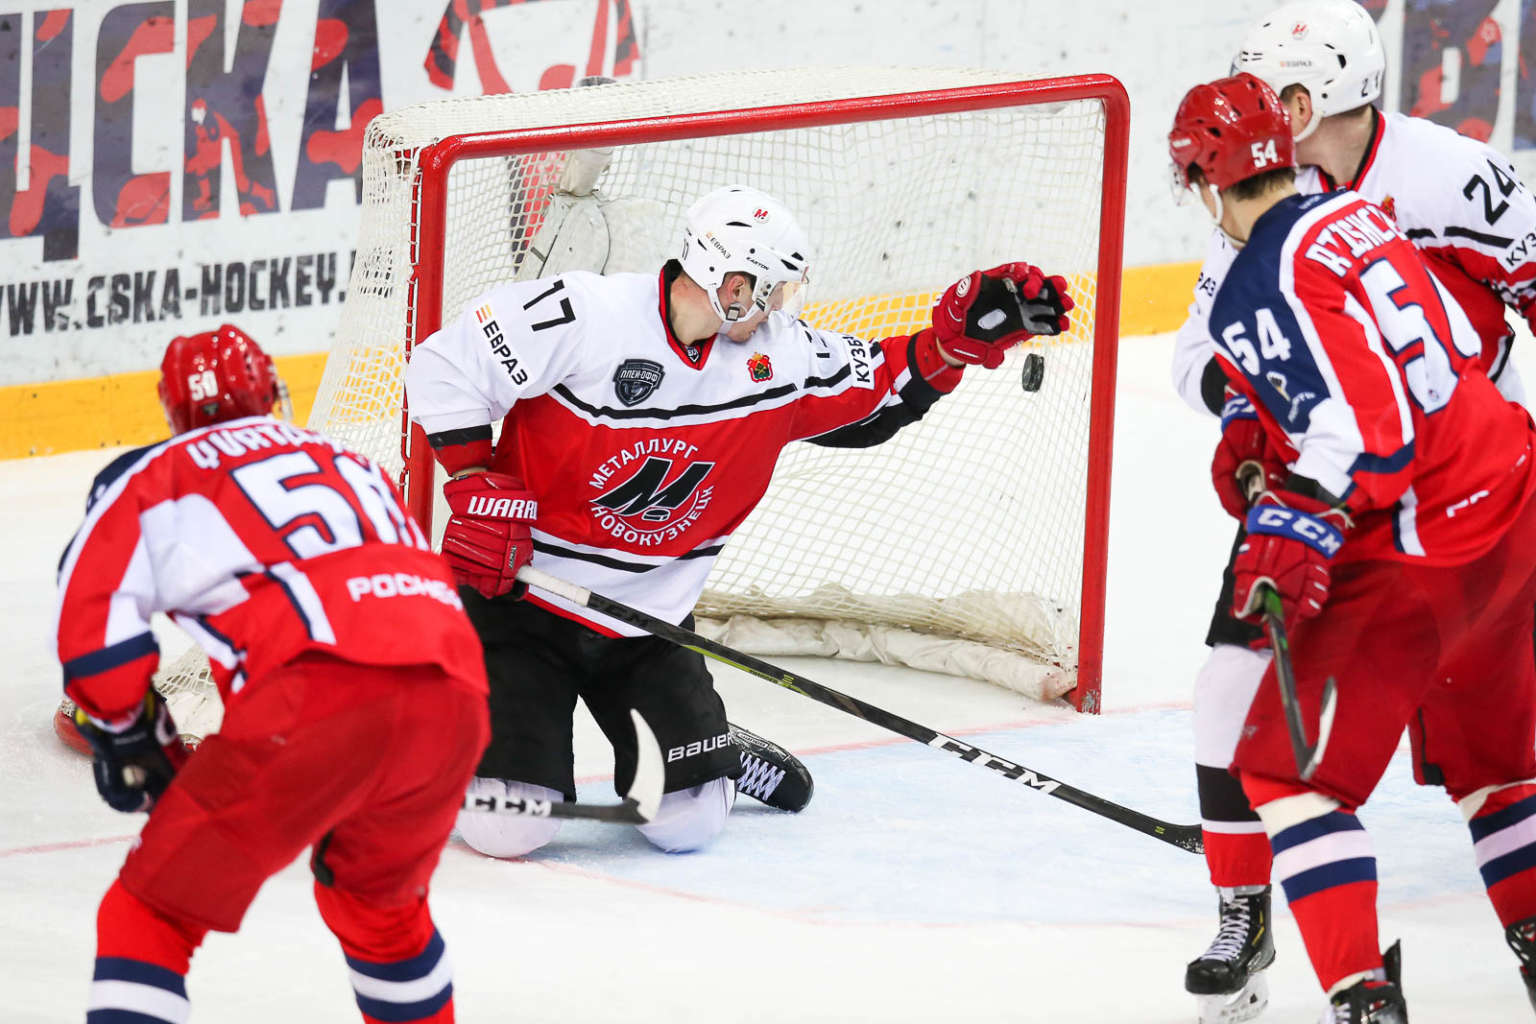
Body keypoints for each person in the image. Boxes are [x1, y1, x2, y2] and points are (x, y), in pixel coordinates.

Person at [403, 183, 1072, 859]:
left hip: (648, 624)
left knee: (686, 827)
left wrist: (947, 348)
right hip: (520, 607)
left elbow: (872, 397)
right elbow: (444, 366)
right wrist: (473, 480)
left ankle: (715, 747)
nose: (781, 308)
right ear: (734, 285)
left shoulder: (777, 353)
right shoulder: (587, 314)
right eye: (773, 291)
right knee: (508, 828)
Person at [1170, 4, 1536, 1019]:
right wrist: (1257, 417)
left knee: (1291, 773)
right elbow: (1205, 364)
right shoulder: (1340, 213)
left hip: (1391, 510)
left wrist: (1295, 515)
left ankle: (1360, 992)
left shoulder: (1442, 175)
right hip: (1487, 472)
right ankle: (1244, 915)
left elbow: (1361, 428)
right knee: (1236, 686)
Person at [56, 325, 490, 1023]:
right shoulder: (352, 461)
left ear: (173, 412)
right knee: (379, 913)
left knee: (150, 913)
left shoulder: (155, 471)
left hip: (316, 698)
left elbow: (95, 625)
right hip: (457, 689)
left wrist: (124, 729)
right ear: (270, 393)